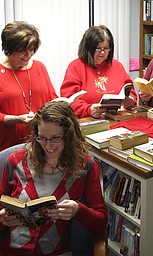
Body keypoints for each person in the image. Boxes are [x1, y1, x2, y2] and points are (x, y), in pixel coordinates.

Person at [0, 101, 107, 255]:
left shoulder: (85, 166)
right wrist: (2, 218)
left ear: (69, 136)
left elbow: (100, 221)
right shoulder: (16, 161)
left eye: (56, 138)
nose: (48, 146)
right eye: (42, 138)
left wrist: (78, 210)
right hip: (12, 251)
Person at [0, 21, 58, 151]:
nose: (28, 55)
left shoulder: (39, 67)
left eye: (31, 49)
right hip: (9, 145)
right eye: (22, 50)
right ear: (8, 48)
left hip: (42, 144)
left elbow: (52, 99)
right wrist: (16, 119)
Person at [60, 25, 137, 118]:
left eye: (106, 48)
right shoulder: (76, 67)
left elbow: (130, 90)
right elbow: (69, 99)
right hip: (88, 120)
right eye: (98, 48)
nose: (102, 52)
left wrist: (130, 100)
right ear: (88, 48)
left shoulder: (117, 66)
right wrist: (88, 109)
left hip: (116, 118)